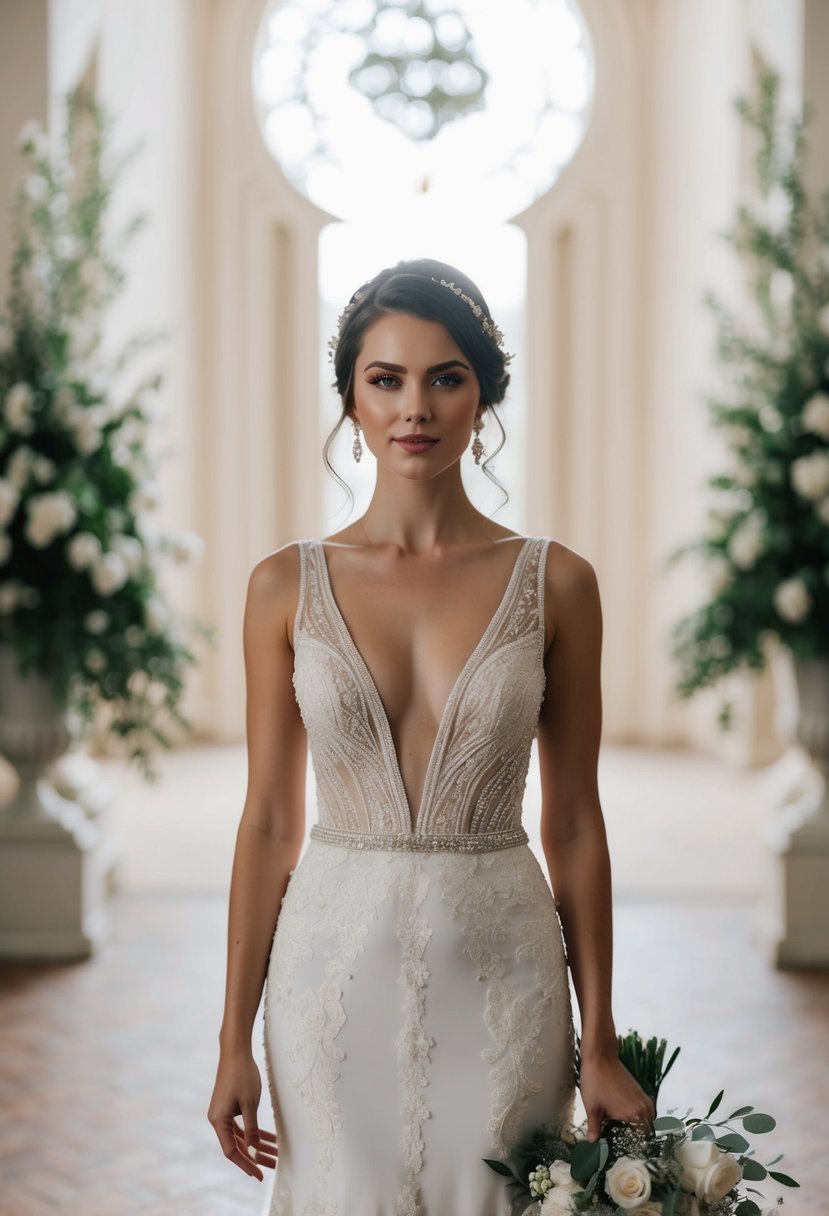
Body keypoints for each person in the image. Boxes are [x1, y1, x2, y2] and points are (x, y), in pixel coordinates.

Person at [207, 258, 655, 1214]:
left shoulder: (556, 583)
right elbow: (267, 825)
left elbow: (574, 823)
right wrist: (231, 1040)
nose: (416, 407)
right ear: (351, 401)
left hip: (503, 981)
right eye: (386, 379)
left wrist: (600, 1043)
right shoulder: (282, 587)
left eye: (446, 377)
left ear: (484, 396)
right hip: (328, 981)